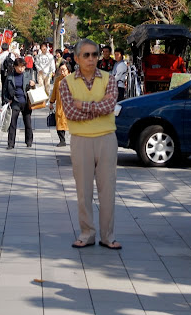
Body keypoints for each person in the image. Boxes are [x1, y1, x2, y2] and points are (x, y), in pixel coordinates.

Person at [59, 39, 120, 250]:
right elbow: (71, 113)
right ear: (76, 58)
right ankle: (87, 233)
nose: (91, 59)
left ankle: (108, 236)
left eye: (94, 54)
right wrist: (97, 108)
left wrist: (83, 105)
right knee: (83, 190)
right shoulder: (66, 83)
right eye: (86, 55)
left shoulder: (109, 79)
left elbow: (110, 104)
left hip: (107, 139)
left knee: (108, 189)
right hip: (81, 140)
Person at [4, 57, 36, 149]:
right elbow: (5, 90)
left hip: (26, 102)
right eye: (19, 67)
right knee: (12, 124)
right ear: (15, 67)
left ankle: (29, 141)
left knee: (28, 123)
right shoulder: (10, 77)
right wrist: (6, 100)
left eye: (23, 67)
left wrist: (33, 85)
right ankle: (11, 144)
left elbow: (33, 89)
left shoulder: (27, 75)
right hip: (14, 102)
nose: (21, 68)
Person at [48, 61, 71, 147]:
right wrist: (51, 102)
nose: (62, 72)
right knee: (59, 123)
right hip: (60, 105)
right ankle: (62, 140)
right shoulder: (58, 80)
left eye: (64, 70)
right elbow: (54, 92)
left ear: (68, 70)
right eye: (61, 70)